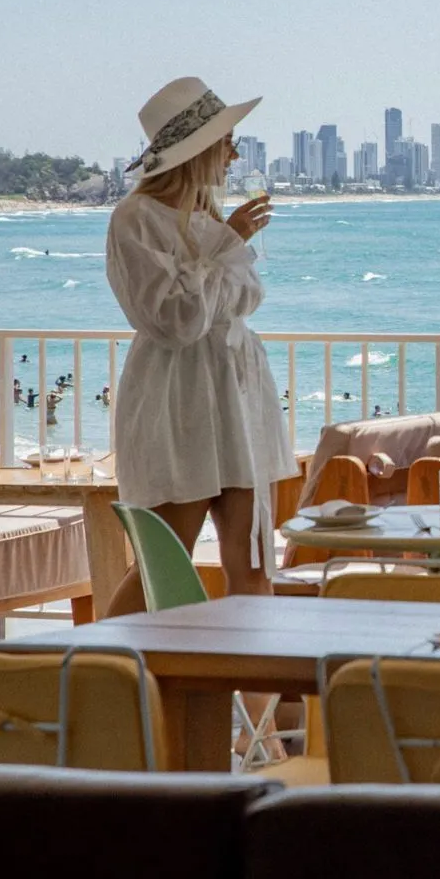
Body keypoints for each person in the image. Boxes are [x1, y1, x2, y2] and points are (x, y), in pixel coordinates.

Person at [103, 76, 289, 626]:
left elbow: (235, 302)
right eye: (226, 140)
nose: (234, 152)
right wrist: (228, 242)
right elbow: (174, 321)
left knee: (253, 565)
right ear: (198, 150)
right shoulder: (136, 221)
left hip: (237, 394)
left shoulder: (208, 218)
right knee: (166, 563)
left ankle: (266, 713)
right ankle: (95, 684)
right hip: (179, 400)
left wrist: (223, 238)